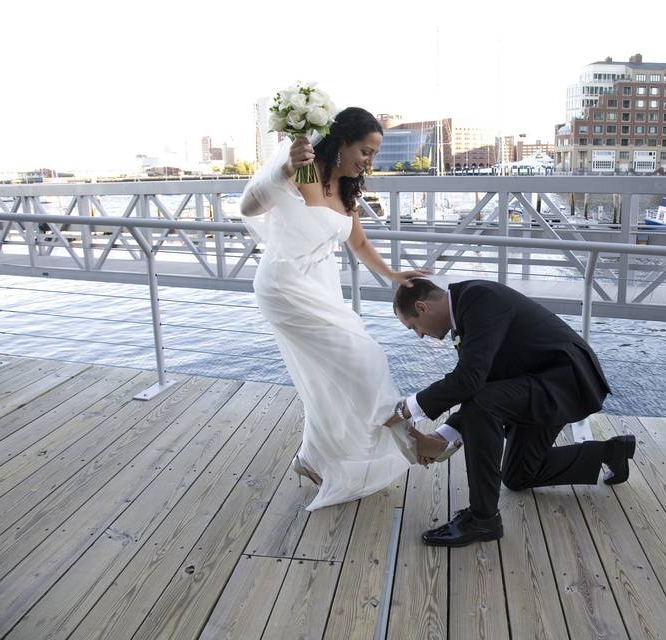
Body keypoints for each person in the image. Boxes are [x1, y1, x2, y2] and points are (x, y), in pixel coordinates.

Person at [238, 107, 458, 510]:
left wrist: (393, 275)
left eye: (374, 153)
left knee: (330, 379)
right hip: (284, 286)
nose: (369, 161)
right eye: (365, 150)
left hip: (316, 290)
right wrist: (283, 169)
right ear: (341, 143)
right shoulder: (306, 174)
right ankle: (409, 441)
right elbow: (249, 208)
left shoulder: (346, 190)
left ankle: (311, 459)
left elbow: (358, 244)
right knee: (365, 360)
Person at [389, 278, 635, 547]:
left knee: (485, 404)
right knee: (519, 476)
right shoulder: (466, 307)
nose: (419, 335)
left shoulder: (478, 298)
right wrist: (443, 436)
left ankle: (483, 520)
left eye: (413, 326)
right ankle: (611, 452)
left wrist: (406, 409)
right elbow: (479, 381)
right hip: (535, 382)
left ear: (422, 307)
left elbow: (471, 383)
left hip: (565, 382)